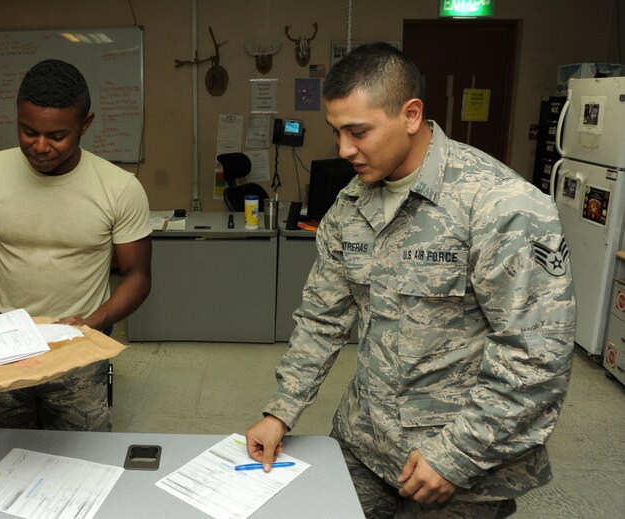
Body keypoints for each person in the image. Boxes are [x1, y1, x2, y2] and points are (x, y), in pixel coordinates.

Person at [246, 43, 576, 518]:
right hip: (364, 445)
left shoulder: (502, 204)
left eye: (358, 132)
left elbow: (536, 358)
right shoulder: (350, 205)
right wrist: (280, 410)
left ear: (411, 114)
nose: (343, 150)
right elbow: (322, 319)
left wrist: (455, 456)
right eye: (336, 132)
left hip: (460, 463)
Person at [0, 59, 152, 431]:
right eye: (28, 132)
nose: (40, 147)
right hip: (4, 340)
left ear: (85, 124)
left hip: (78, 345)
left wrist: (94, 323)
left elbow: (137, 276)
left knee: (82, 459)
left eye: (57, 136)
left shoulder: (119, 188)